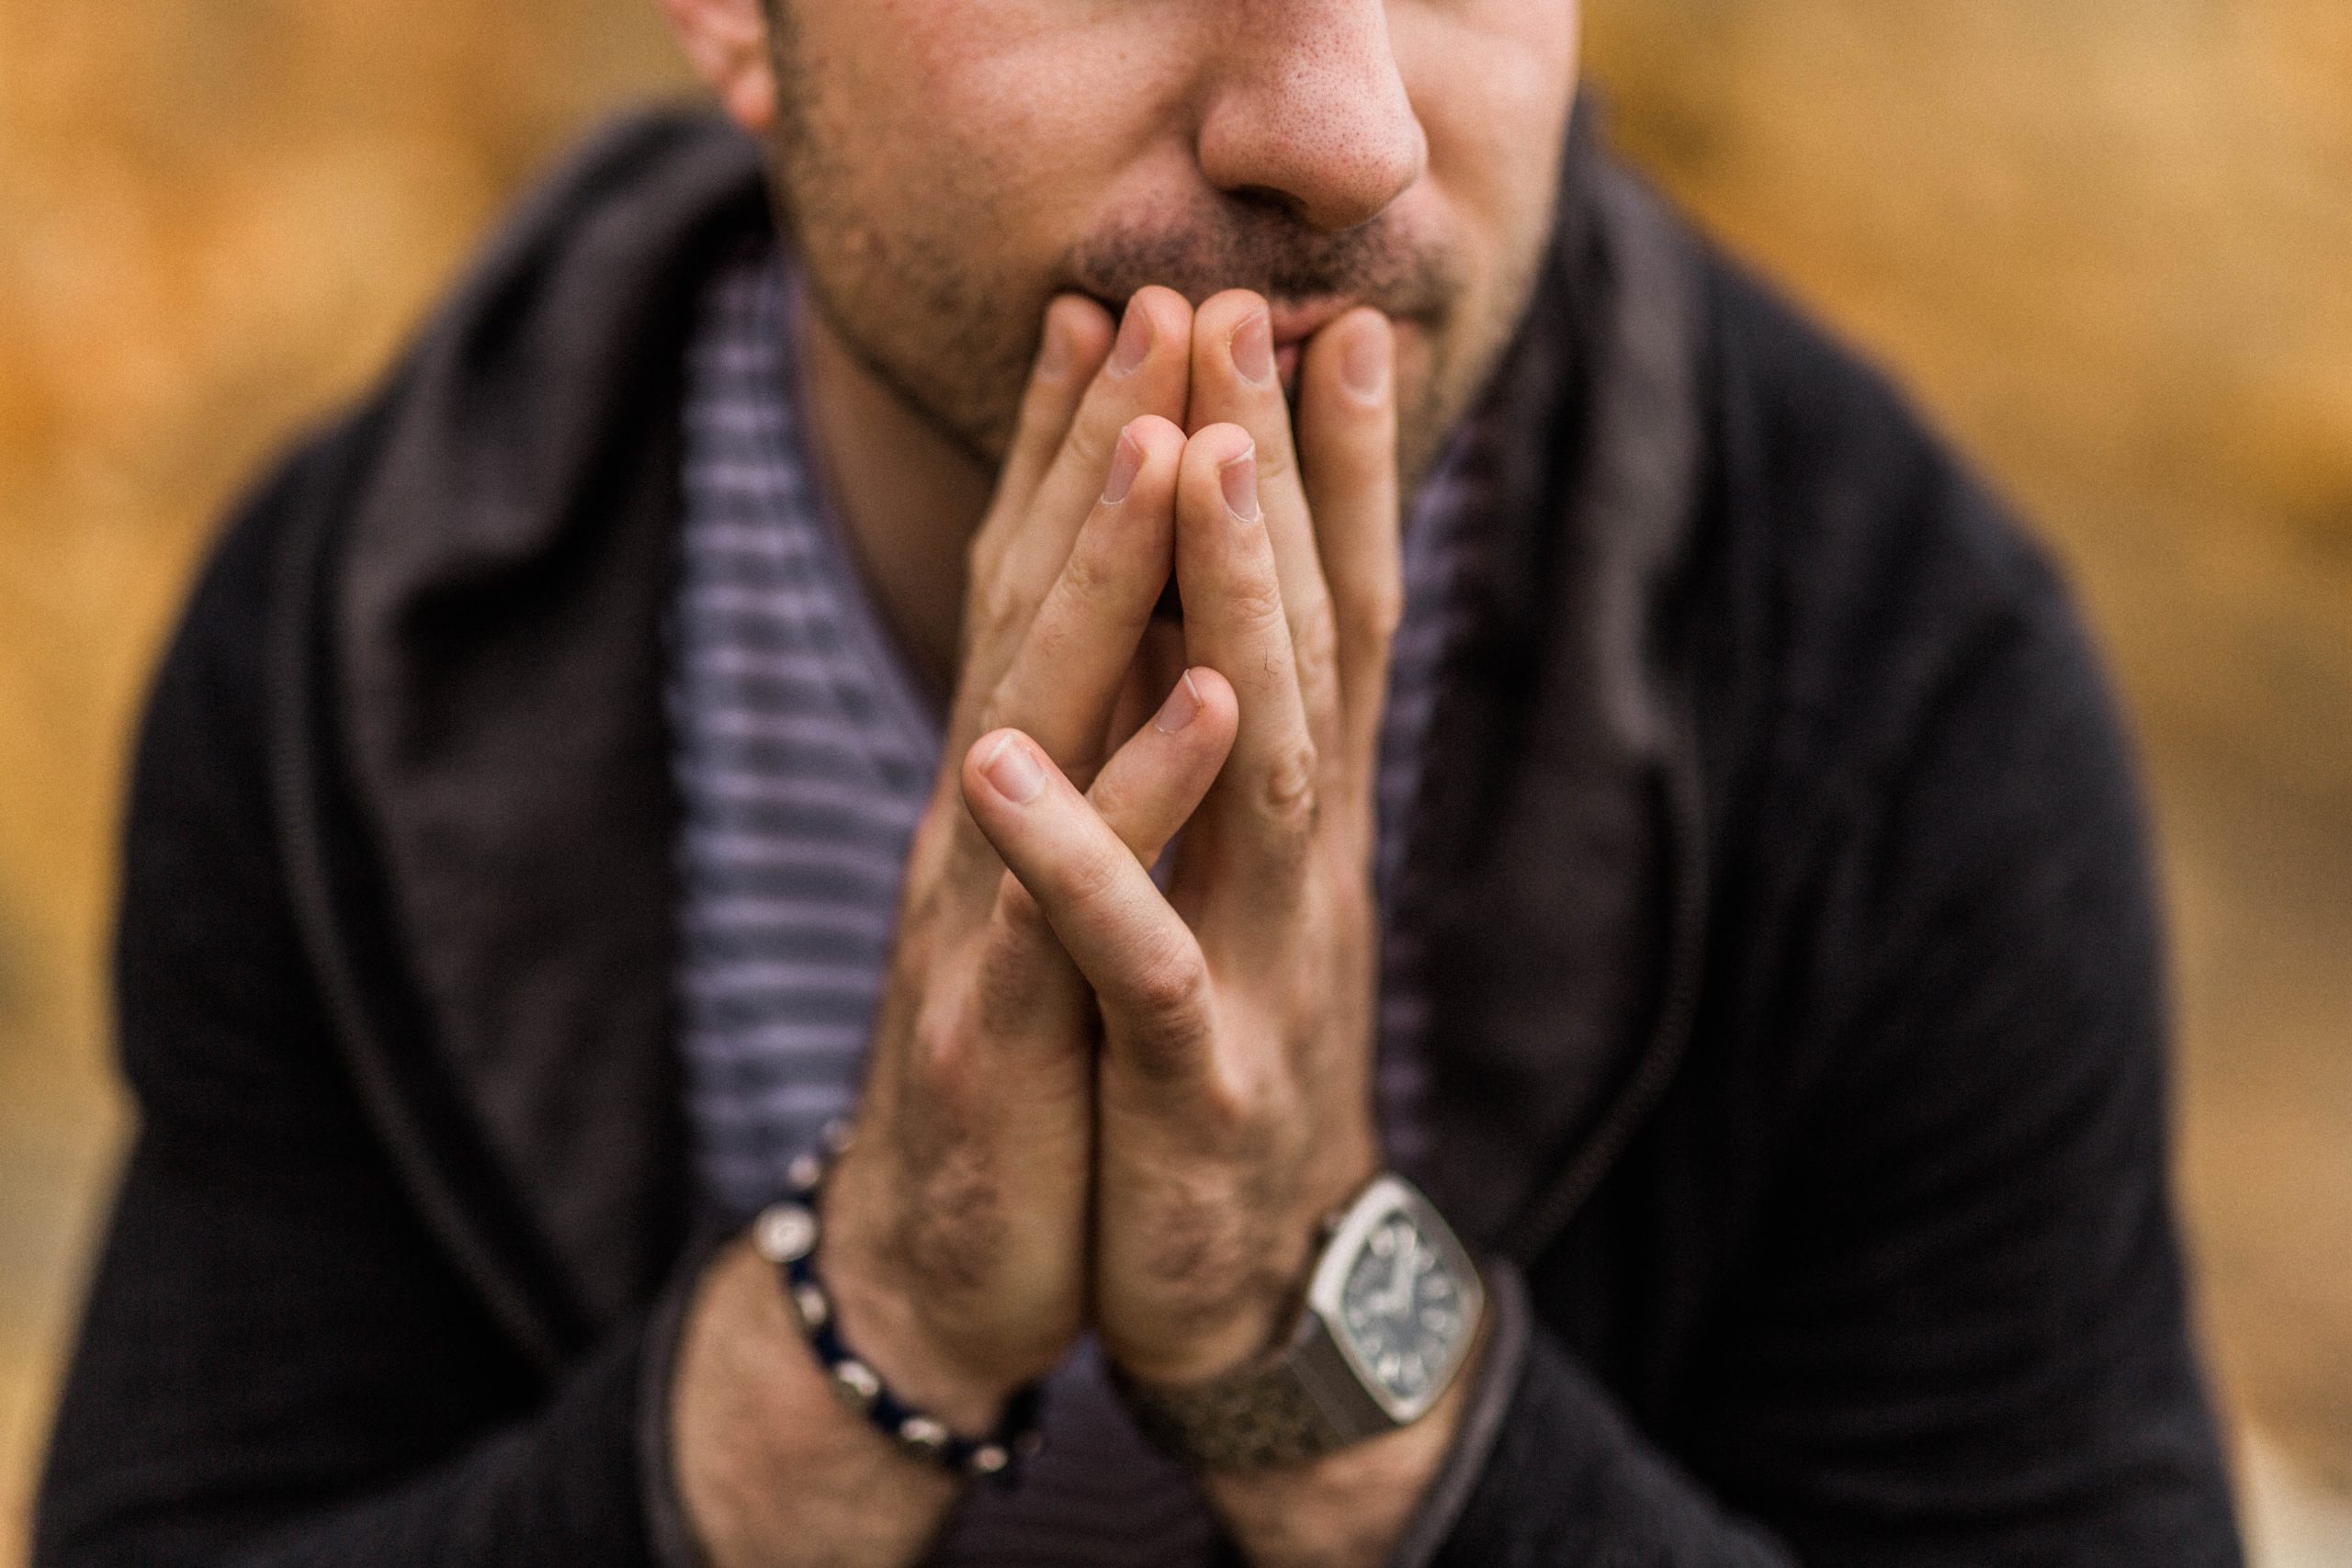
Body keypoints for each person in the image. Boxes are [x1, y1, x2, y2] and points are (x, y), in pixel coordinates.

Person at [34, 1, 2245, 1564]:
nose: (1347, 127)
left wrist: (1315, 1323)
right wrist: (862, 1323)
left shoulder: (1871, 668)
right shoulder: (399, 613)